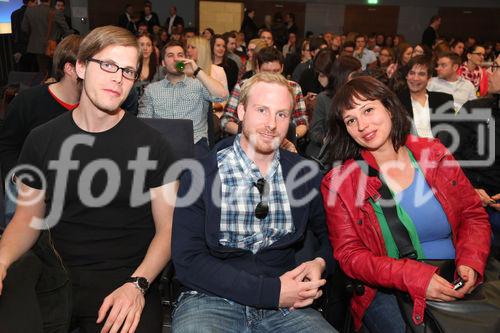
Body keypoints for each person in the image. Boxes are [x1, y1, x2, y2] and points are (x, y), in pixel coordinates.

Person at [0, 25, 178, 333]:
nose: (118, 78)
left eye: (128, 71)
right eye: (108, 65)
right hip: (54, 275)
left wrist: (138, 285)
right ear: (80, 67)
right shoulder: (42, 139)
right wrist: (2, 260)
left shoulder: (154, 146)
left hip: (125, 281)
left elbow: (169, 230)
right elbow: (27, 218)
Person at [321, 76, 491, 333]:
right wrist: (416, 278)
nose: (362, 125)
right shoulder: (340, 182)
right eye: (351, 120)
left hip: (455, 271)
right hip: (389, 288)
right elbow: (350, 256)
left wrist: (470, 261)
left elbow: (472, 214)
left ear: (389, 107)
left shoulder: (433, 153)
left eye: (368, 110)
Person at [171, 72, 337, 333]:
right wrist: (270, 292)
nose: (271, 124)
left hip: (286, 307)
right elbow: (188, 260)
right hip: (211, 300)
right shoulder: (200, 174)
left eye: (281, 114)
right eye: (262, 110)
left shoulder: (304, 175)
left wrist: (320, 263)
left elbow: (333, 237)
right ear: (241, 110)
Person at [0, 34, 82, 230]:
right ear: (70, 69)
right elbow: (7, 145)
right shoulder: (28, 101)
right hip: (32, 186)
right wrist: (17, 176)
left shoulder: (96, 106)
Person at [138, 40, 227, 156]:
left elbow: (222, 95)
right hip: (163, 148)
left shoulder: (199, 85)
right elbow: (144, 124)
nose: (176, 59)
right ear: (163, 63)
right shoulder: (152, 90)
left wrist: (197, 71)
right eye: (170, 56)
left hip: (195, 146)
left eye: (180, 55)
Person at [455, 55, 500, 248]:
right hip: (468, 196)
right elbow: (449, 157)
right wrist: (470, 188)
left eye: (496, 67)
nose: (488, 73)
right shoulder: (474, 109)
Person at [221, 47, 308, 146]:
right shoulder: (243, 86)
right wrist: (250, 134)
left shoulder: (293, 88)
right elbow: (226, 121)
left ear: (282, 68)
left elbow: (302, 122)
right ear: (257, 68)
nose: (271, 76)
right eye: (266, 71)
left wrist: (290, 137)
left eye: (276, 71)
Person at [306, 54, 361, 158]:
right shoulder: (325, 98)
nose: (359, 78)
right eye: (355, 75)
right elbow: (314, 132)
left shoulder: (359, 97)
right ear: (343, 76)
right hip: (326, 155)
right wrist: (331, 141)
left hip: (351, 154)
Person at [398, 55, 454, 139]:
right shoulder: (396, 101)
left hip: (438, 149)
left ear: (429, 78)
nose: (415, 78)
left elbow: (451, 133)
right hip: (409, 149)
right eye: (412, 73)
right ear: (406, 76)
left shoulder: (444, 100)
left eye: (421, 74)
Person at [22, 0, 72, 75]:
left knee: (43, 71)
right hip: (53, 46)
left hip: (37, 46)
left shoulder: (30, 11)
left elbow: (24, 28)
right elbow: (66, 30)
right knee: (56, 70)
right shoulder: (56, 12)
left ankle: (44, 84)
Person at [10, 0, 37, 72]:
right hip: (32, 47)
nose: (36, 5)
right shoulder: (32, 13)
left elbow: (14, 33)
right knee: (35, 73)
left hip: (19, 47)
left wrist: (15, 50)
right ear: (30, 2)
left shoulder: (14, 14)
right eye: (35, 3)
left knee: (23, 73)